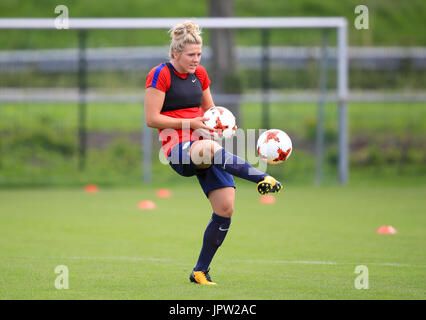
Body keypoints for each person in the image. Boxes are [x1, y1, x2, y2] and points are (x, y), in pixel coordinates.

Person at [144, 20, 282, 285]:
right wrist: (191, 124)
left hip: (205, 145)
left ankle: (200, 272)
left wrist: (222, 124)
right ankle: (261, 178)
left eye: (199, 54)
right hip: (177, 149)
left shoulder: (201, 75)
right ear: (175, 54)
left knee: (225, 207)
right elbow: (152, 119)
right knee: (208, 148)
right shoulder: (160, 74)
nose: (196, 59)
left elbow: (211, 112)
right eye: (191, 55)